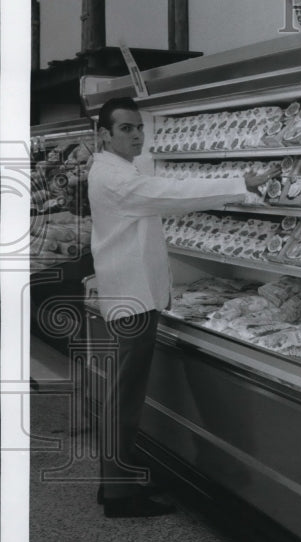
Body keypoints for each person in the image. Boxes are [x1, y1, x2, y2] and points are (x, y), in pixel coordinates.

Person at [88, 97, 279, 518]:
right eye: (126, 129)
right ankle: (118, 494)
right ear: (104, 134)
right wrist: (239, 182)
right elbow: (172, 193)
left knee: (124, 393)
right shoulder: (116, 179)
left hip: (132, 295)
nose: (137, 134)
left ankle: (114, 480)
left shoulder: (119, 170)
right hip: (132, 301)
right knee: (125, 396)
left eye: (139, 127)